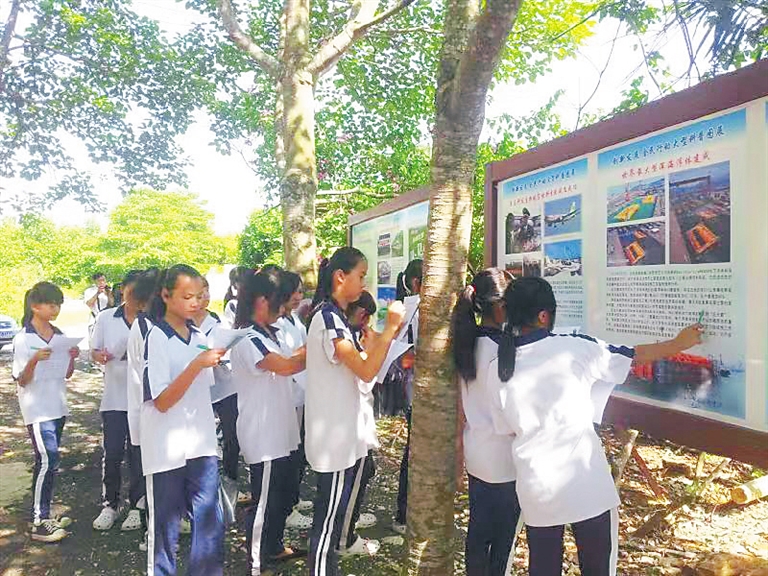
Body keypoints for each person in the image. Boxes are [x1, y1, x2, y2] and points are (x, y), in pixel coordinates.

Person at [490, 277, 703, 576]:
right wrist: (679, 344)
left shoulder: (498, 367)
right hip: (585, 481)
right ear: (543, 316)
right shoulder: (573, 348)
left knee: (544, 566)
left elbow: (505, 427)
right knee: (598, 566)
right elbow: (632, 355)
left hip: (535, 484)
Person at [305, 247, 405, 576]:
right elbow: (364, 371)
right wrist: (390, 329)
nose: (364, 284)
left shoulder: (335, 317)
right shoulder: (329, 317)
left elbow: (363, 366)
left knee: (332, 516)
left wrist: (378, 341)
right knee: (327, 520)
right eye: (361, 276)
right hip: (333, 436)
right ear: (340, 276)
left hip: (342, 431)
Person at [141, 265, 225, 576]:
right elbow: (162, 400)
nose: (196, 303)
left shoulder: (200, 333)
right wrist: (196, 365)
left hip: (201, 441)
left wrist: (216, 360)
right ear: (166, 296)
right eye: (187, 296)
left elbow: (206, 385)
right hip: (167, 446)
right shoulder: (156, 337)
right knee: (166, 526)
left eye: (200, 297)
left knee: (208, 519)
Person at [231, 271, 308, 574]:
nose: (285, 305)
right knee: (264, 501)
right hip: (263, 432)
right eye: (279, 299)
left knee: (283, 494)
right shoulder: (248, 337)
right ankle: (256, 561)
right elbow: (287, 365)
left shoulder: (269, 332)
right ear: (262, 300)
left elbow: (292, 357)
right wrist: (320, 344)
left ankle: (273, 547)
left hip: (282, 427)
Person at [451, 269, 520, 576]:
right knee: (503, 541)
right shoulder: (502, 351)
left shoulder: (468, 342)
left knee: (478, 531)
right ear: (501, 306)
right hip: (505, 458)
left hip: (477, 451)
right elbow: (511, 410)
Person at [12, 282, 79, 542]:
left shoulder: (58, 333)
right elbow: (22, 379)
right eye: (51, 304)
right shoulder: (23, 338)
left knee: (50, 462)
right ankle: (39, 520)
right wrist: (34, 360)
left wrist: (71, 356)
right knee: (47, 461)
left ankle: (46, 513)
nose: (56, 309)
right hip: (37, 409)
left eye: (58, 304)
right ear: (34, 306)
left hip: (57, 405)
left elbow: (67, 373)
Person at [91, 270, 146, 533]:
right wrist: (100, 355)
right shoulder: (106, 318)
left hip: (142, 400)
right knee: (112, 453)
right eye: (131, 292)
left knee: (138, 455)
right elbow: (94, 351)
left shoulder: (151, 320)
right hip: (113, 398)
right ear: (122, 289)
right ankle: (110, 504)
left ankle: (137, 506)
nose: (135, 299)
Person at [336, 290, 381, 556]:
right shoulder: (345, 339)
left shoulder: (346, 335)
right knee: (356, 476)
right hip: (352, 422)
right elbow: (365, 376)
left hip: (354, 419)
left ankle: (347, 522)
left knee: (363, 472)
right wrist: (376, 347)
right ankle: (344, 538)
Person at [193, 276, 241, 515]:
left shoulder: (218, 322)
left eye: (207, 293)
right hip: (197, 390)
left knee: (233, 435)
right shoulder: (181, 325)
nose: (204, 298)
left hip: (224, 385)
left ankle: (231, 478)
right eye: (199, 294)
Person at [274, 270, 314, 529]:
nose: (300, 297)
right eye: (296, 292)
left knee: (296, 453)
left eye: (301, 292)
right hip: (286, 395)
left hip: (300, 393)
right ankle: (285, 508)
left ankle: (292, 499)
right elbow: (287, 359)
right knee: (287, 456)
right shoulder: (276, 323)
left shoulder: (293, 320)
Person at [126, 268, 160, 551]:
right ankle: (152, 531)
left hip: (162, 416)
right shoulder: (147, 327)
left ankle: (163, 525)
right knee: (154, 477)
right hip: (150, 414)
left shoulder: (155, 324)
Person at [392, 258, 422, 535]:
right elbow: (403, 357)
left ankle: (405, 512)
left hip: (413, 394)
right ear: (416, 283)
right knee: (414, 453)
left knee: (414, 452)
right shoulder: (412, 310)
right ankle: (403, 513)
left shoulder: (405, 308)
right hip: (417, 393)